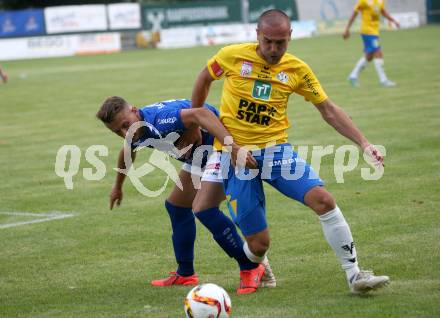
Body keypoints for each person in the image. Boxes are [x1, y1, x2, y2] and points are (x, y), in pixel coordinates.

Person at [189, 9, 390, 295]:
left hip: (276, 152)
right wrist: (198, 119)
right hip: (233, 157)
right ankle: (257, 263)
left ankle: (354, 275)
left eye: (280, 43)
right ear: (257, 35)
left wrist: (364, 143)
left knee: (324, 200)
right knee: (258, 245)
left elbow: (328, 110)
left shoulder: (297, 70)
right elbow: (204, 79)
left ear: (290, 37)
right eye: (268, 41)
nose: (273, 49)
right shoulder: (231, 56)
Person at [96, 97, 276, 290]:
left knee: (204, 209)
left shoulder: (160, 119)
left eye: (125, 125)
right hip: (200, 157)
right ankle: (185, 273)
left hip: (221, 147)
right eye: (117, 131)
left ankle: (251, 267)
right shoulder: (134, 130)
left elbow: (203, 113)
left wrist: (194, 127)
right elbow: (127, 152)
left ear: (134, 110)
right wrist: (117, 186)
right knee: (176, 207)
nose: (124, 133)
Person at [343, 0, 400, 87]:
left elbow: (383, 12)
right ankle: (383, 80)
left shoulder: (380, 1)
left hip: (374, 32)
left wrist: (394, 21)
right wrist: (347, 29)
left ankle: (352, 76)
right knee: (378, 53)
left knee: (369, 57)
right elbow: (354, 14)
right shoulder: (363, 1)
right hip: (367, 32)